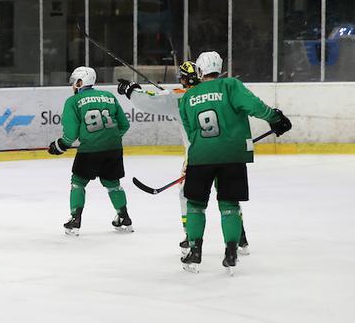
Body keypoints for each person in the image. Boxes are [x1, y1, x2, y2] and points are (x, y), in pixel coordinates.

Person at [118, 61, 250, 254]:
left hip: (199, 156)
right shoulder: (219, 94)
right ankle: (240, 239)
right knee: (230, 197)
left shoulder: (180, 98)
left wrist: (131, 90)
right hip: (227, 152)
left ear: (184, 79)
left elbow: (150, 102)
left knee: (188, 196)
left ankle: (191, 237)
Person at [177, 51, 291, 274]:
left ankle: (195, 250)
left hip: (201, 156)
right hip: (233, 155)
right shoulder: (230, 85)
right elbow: (255, 107)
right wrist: (275, 118)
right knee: (229, 204)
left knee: (195, 205)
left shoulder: (187, 98)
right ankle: (231, 251)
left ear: (199, 70)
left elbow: (191, 132)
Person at [48, 66, 132, 235]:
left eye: (74, 81)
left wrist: (60, 145)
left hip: (90, 150)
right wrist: (109, 138)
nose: (73, 85)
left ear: (80, 82)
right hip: (113, 148)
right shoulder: (109, 96)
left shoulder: (73, 101)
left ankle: (75, 219)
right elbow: (124, 125)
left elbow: (70, 134)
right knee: (113, 184)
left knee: (78, 182)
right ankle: (124, 217)